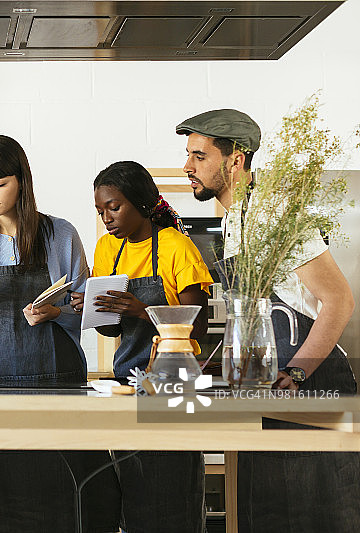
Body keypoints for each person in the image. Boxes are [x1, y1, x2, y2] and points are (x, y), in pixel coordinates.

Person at [177, 108, 360, 531]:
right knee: (268, 514)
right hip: (268, 384)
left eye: (199, 157)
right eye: (188, 155)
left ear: (235, 159)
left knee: (315, 517)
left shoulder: (274, 212)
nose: (187, 166)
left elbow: (339, 300)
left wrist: (297, 371)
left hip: (311, 384)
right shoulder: (235, 219)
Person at [0, 135, 121, 533]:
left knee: (69, 493)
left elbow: (87, 315)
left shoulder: (60, 235)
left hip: (60, 380)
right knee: (5, 500)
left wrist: (56, 311)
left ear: (21, 181)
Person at [70, 160, 212, 532]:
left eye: (114, 207)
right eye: (100, 210)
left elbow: (197, 326)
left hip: (175, 386)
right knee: (131, 487)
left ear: (141, 202)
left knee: (168, 491)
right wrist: (96, 310)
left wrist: (141, 309)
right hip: (127, 378)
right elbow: (108, 333)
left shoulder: (176, 247)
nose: (106, 218)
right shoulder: (106, 249)